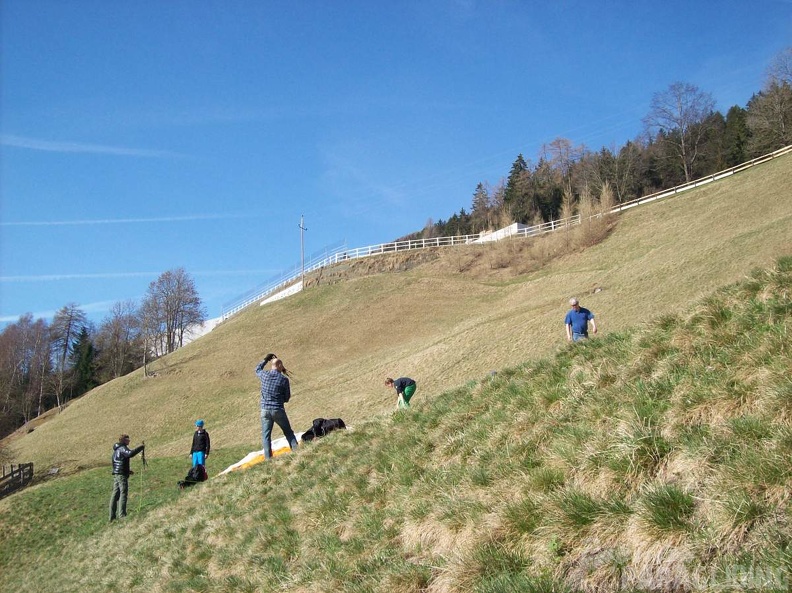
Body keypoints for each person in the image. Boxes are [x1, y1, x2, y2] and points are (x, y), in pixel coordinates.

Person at [256, 353, 298, 459]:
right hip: (278, 409)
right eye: (282, 365)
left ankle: (268, 459)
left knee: (266, 436)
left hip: (265, 410)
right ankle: (297, 452)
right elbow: (287, 398)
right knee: (288, 432)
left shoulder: (264, 375)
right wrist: (280, 399)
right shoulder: (284, 380)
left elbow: (257, 369)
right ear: (279, 365)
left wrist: (265, 359)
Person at [109, 434, 145, 522]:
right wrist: (141, 447)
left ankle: (111, 517)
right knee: (123, 494)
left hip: (117, 475)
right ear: (124, 440)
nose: (129, 441)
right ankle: (122, 516)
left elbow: (118, 463)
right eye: (128, 439)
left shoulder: (116, 451)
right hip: (121, 476)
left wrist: (128, 471)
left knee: (115, 495)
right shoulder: (122, 448)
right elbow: (130, 454)